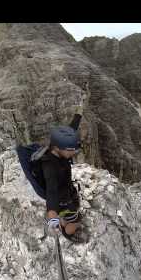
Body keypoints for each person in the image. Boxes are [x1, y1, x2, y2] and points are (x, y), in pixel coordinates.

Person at [41, 83, 90, 243]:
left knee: (74, 216)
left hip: (67, 193)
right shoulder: (50, 166)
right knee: (73, 219)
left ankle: (66, 223)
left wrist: (79, 112)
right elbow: (51, 192)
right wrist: (52, 216)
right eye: (71, 150)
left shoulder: (60, 152)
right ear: (58, 148)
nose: (74, 153)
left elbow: (71, 129)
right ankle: (68, 232)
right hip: (62, 201)